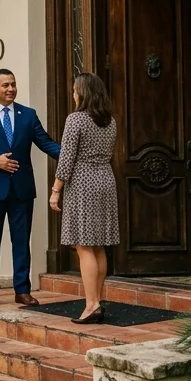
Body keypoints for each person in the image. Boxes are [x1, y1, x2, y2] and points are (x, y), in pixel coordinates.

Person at [0, 69, 60, 308]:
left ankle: (22, 290)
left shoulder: (28, 115)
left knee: (21, 242)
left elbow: (45, 143)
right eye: (5, 85)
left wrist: (72, 156)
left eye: (13, 84)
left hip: (22, 190)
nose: (11, 89)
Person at [49, 72, 120, 325]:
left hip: (83, 183)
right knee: (99, 245)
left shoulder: (76, 119)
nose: (73, 93)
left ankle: (91, 304)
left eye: (75, 89)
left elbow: (66, 158)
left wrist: (56, 189)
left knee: (83, 245)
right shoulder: (109, 120)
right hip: (105, 181)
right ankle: (97, 300)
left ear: (83, 92)